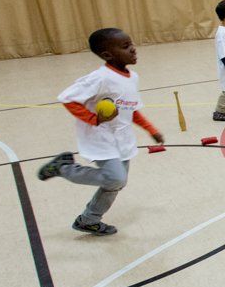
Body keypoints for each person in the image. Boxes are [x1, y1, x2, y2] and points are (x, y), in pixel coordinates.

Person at [37, 27, 163, 236]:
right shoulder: (100, 78)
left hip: (122, 139)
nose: (133, 49)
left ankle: (89, 220)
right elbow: (68, 98)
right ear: (107, 55)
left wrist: (151, 129)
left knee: (115, 184)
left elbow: (131, 109)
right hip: (100, 139)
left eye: (131, 44)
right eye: (125, 46)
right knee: (115, 179)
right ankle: (64, 168)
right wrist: (94, 119)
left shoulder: (132, 77)